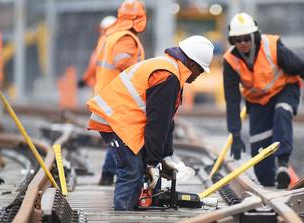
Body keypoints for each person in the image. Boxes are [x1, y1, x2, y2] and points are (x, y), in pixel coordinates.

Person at [87, 35, 214, 211]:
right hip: (115, 121)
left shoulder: (171, 70)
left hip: (123, 121)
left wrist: (165, 156)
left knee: (136, 169)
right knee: (131, 172)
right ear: (192, 64)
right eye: (200, 71)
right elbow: (157, 124)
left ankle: (130, 208)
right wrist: (152, 163)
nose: (198, 76)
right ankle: (123, 217)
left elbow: (166, 121)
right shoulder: (168, 76)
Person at [223, 12, 304, 188]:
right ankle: (273, 180)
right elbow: (232, 100)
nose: (242, 43)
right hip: (258, 101)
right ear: (232, 40)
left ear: (254, 36)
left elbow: (303, 67)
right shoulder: (230, 61)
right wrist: (235, 134)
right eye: (237, 39)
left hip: (285, 90)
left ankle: (283, 164)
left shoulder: (272, 47)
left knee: (282, 111)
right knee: (262, 166)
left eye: (245, 38)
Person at [89, 0, 147, 186]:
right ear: (138, 19)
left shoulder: (111, 35)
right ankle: (117, 184)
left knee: (118, 138)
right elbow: (126, 65)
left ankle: (107, 176)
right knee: (123, 139)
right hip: (118, 99)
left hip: (108, 96)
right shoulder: (125, 39)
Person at [78, 15, 117, 89]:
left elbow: (93, 64)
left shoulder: (103, 42)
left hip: (102, 86)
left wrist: (84, 79)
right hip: (113, 86)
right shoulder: (119, 41)